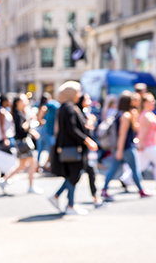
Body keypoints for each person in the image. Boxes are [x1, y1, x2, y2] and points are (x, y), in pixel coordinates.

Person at [48, 81, 98, 215]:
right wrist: (87, 140)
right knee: (73, 176)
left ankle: (61, 199)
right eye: (77, 92)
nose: (79, 95)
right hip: (72, 147)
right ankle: (69, 204)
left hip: (70, 147)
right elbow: (72, 129)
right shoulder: (69, 108)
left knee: (73, 176)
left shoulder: (66, 107)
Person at [101, 91, 152, 201]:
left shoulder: (121, 113)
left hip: (121, 147)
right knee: (134, 169)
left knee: (114, 169)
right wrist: (120, 150)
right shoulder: (126, 116)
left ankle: (104, 189)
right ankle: (141, 190)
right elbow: (122, 134)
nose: (136, 102)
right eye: (134, 100)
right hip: (126, 148)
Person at [0, 94, 43, 194]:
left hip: (21, 142)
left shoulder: (19, 113)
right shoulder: (18, 114)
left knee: (22, 166)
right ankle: (31, 186)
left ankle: (5, 179)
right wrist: (29, 120)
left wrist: (31, 131)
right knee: (31, 163)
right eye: (24, 100)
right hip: (22, 143)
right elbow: (22, 129)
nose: (26, 102)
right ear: (18, 103)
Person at [76, 92, 104, 207]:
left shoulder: (84, 112)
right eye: (86, 99)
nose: (89, 102)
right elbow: (81, 131)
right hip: (82, 150)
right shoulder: (78, 113)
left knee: (90, 174)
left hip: (87, 150)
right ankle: (58, 196)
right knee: (76, 176)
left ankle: (96, 198)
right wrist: (90, 123)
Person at [36, 93, 60, 172]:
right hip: (46, 131)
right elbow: (39, 118)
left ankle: (43, 165)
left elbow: (39, 118)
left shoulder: (47, 106)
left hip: (45, 130)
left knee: (41, 149)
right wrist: (45, 123)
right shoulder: (47, 106)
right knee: (50, 148)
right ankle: (45, 165)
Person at [0, 95, 16, 177]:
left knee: (8, 157)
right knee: (5, 157)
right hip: (5, 137)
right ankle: (4, 176)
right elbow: (2, 126)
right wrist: (4, 138)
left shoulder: (7, 111)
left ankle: (6, 175)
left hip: (9, 136)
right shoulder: (1, 111)